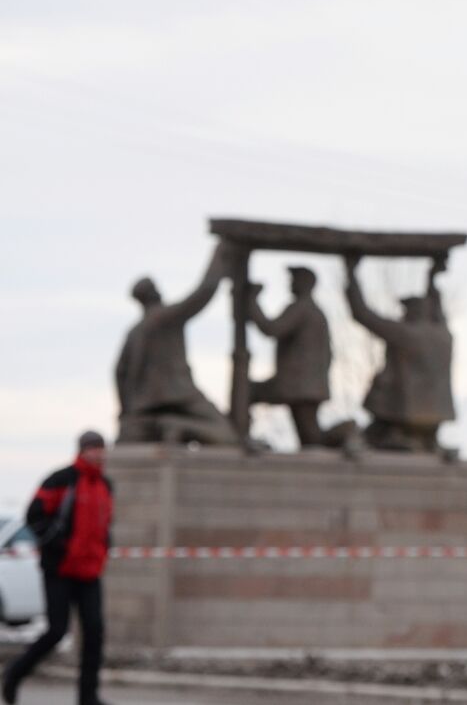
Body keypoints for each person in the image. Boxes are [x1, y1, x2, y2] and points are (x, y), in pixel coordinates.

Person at [3, 432, 115, 705]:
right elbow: (35, 515)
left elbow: (105, 524)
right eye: (92, 448)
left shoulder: (105, 484)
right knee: (56, 631)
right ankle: (14, 674)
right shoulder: (61, 479)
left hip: (90, 571)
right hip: (60, 569)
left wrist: (104, 548)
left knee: (94, 632)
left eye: (101, 448)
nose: (97, 453)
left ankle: (88, 697)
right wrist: (58, 545)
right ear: (82, 451)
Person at [115, 242, 241, 445]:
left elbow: (120, 373)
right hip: (180, 396)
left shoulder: (135, 332)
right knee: (228, 438)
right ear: (155, 293)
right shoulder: (166, 317)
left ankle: (168, 425)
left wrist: (127, 409)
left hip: (142, 407)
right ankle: (178, 426)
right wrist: (219, 254)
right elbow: (204, 292)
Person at [345, 254, 455, 452]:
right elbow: (437, 310)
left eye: (405, 310)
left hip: (402, 417)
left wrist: (351, 273)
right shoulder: (442, 333)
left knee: (382, 383)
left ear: (411, 312)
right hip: (434, 420)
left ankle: (382, 439)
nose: (402, 315)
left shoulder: (405, 334)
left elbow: (362, 314)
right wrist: (431, 278)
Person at [247, 266, 356, 449]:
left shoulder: (302, 308)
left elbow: (272, 328)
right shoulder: (315, 311)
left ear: (305, 283)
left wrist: (251, 300)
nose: (290, 283)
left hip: (298, 385)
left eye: (294, 279)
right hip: (308, 385)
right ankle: (345, 434)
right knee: (310, 438)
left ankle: (347, 432)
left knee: (248, 391)